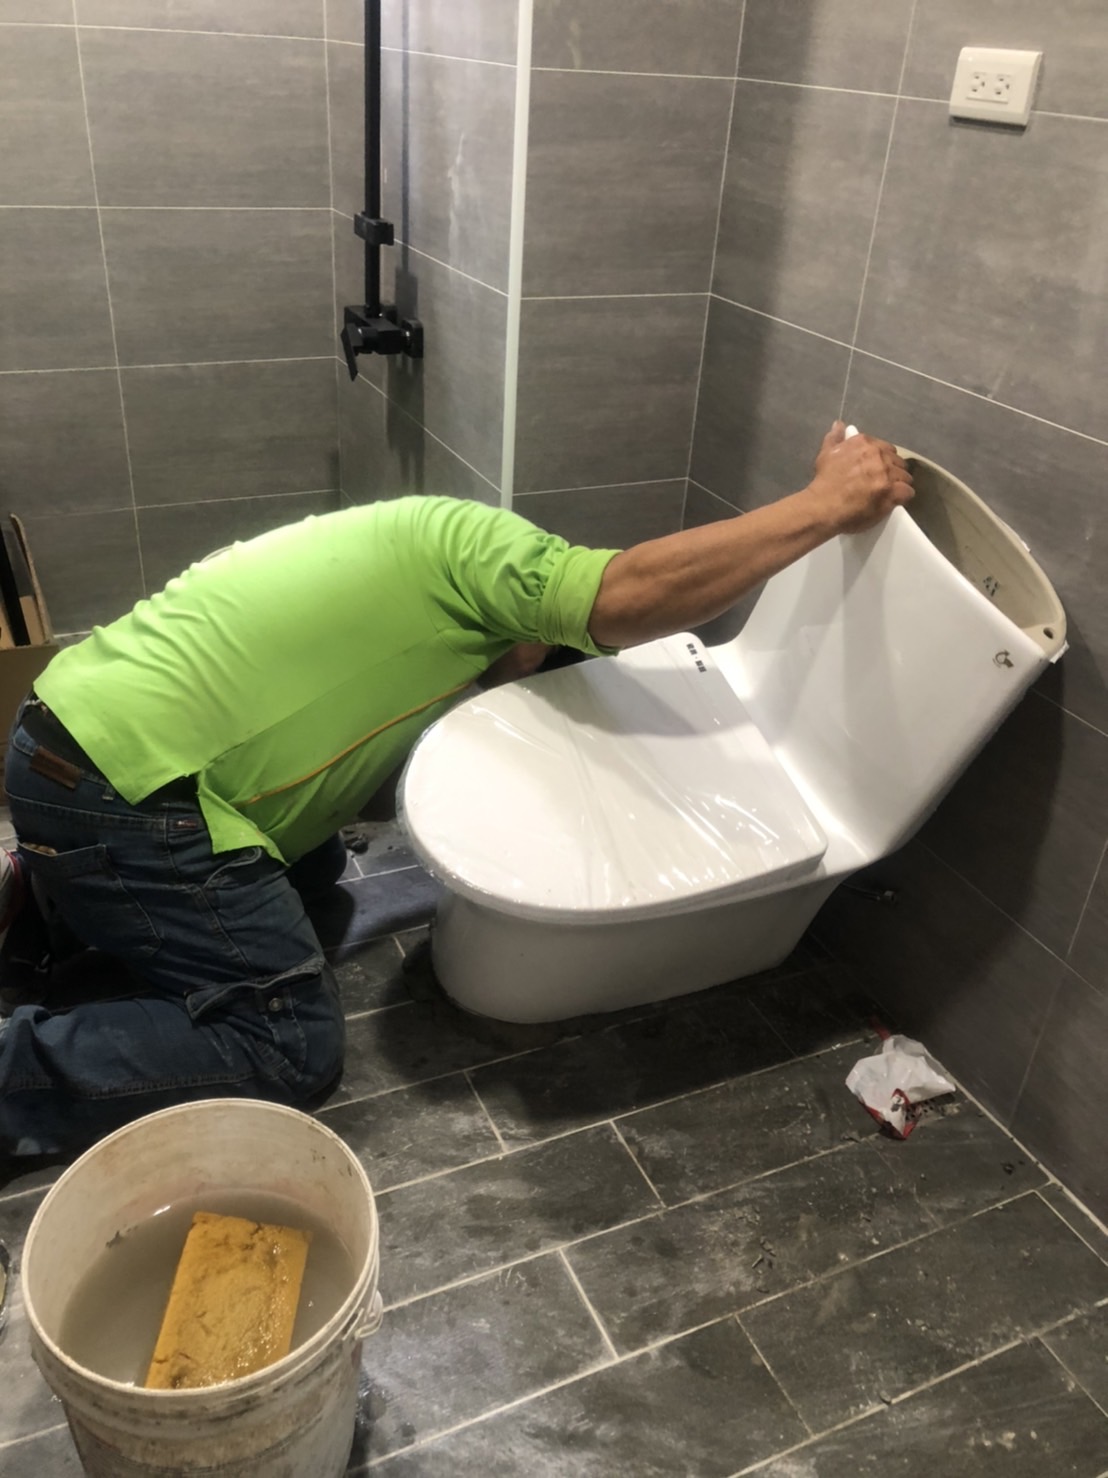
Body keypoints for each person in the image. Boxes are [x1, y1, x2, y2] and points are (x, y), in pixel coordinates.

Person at [0, 422, 912, 1158]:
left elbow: (385, 773)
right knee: (286, 1046)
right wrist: (822, 506)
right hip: (124, 792)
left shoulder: (410, 558)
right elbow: (626, 595)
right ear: (541, 620)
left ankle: (58, 915)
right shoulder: (483, 552)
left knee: (314, 882)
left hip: (71, 734)